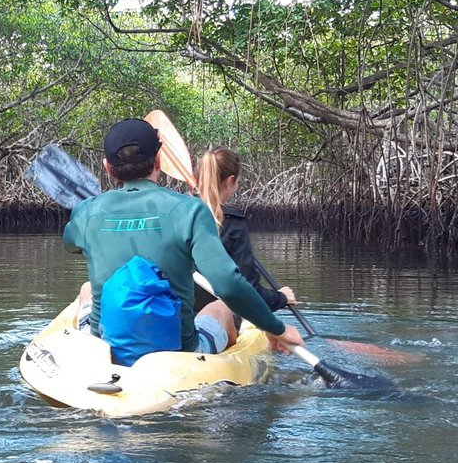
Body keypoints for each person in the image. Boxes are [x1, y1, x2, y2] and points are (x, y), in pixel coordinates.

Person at [64, 118, 304, 366]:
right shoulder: (191, 210)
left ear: (107, 168)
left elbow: (70, 243)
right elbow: (229, 285)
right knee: (222, 307)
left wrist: (85, 217)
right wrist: (277, 328)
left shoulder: (86, 212)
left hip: (104, 345)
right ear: (158, 160)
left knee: (87, 288)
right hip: (180, 351)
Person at [195, 147, 296, 312]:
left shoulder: (178, 214)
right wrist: (281, 298)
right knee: (283, 335)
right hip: (219, 319)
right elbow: (250, 294)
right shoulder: (233, 224)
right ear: (230, 181)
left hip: (178, 317)